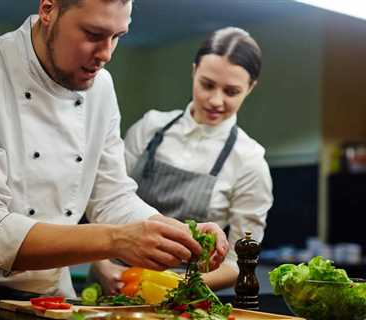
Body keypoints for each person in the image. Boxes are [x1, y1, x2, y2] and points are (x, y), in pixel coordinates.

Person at [0, 0, 229, 307]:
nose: (105, 54)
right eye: (93, 34)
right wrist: (116, 241)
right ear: (48, 9)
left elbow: (112, 197)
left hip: (50, 298)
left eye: (117, 36)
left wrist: (177, 234)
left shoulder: (101, 87)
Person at [91, 27, 273, 293]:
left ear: (250, 88)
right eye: (207, 85)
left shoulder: (250, 161)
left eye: (232, 91)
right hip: (113, 281)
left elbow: (238, 263)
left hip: (182, 295)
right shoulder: (150, 128)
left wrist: (170, 286)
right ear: (193, 71)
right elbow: (105, 202)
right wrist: (102, 265)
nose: (216, 100)